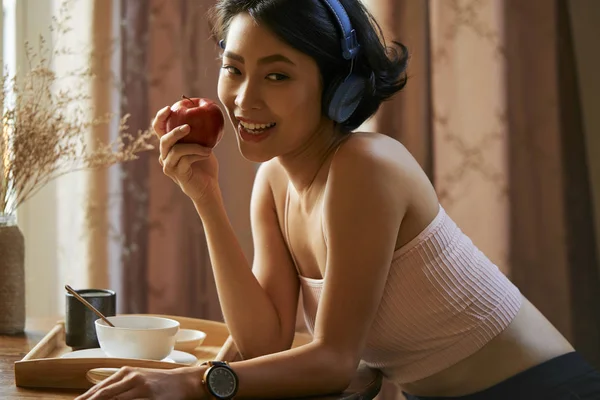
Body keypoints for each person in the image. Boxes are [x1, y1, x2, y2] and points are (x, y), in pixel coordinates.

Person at [76, 0, 600, 399]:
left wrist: (193, 383)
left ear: (338, 88)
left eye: (277, 75)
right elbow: (266, 343)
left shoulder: (365, 168)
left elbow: (334, 360)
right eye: (234, 69)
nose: (243, 98)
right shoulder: (275, 184)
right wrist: (205, 197)